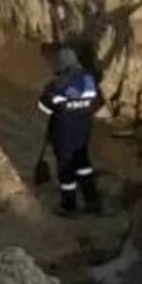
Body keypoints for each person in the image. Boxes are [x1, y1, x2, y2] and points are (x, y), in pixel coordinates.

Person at [37, 46, 104, 216]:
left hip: (63, 131)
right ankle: (92, 200)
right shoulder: (89, 80)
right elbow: (98, 102)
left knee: (65, 167)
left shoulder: (56, 85)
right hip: (83, 129)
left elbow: (44, 107)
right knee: (83, 162)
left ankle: (69, 205)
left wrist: (66, 107)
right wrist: (82, 109)